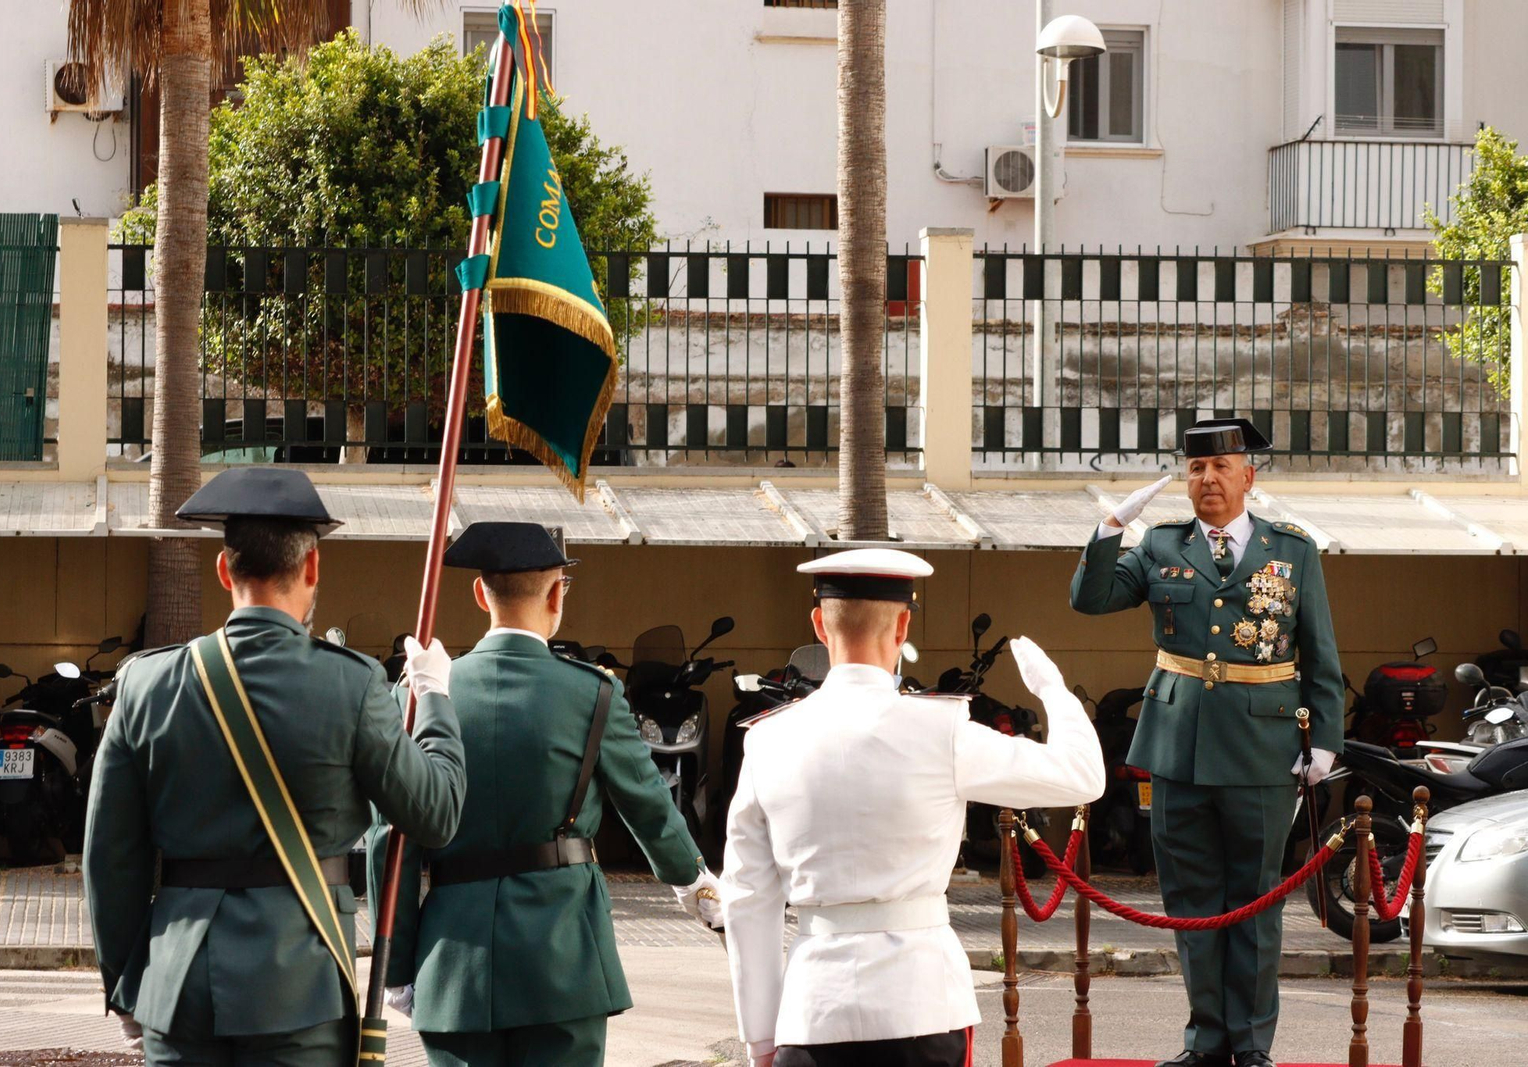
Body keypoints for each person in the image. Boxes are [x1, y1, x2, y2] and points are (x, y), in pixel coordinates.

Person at [83, 467, 467, 1066]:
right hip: (301, 989)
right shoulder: (354, 683)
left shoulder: (145, 682)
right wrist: (435, 697)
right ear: (312, 568)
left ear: (222, 570)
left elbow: (110, 856)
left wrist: (126, 986)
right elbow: (436, 814)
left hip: (174, 983)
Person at [720, 548, 1105, 1067]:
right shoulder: (941, 731)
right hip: (923, 1005)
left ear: (818, 624)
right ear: (902, 627)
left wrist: (760, 1040)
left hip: (814, 1009)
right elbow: (1083, 775)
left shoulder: (768, 739)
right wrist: (1052, 690)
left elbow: (747, 899)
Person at [367, 521, 723, 1067]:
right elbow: (650, 808)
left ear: (479, 593)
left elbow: (389, 843)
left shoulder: (417, 697)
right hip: (565, 962)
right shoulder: (593, 692)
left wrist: (395, 972)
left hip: (454, 964)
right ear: (558, 595)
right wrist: (700, 892)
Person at [1069, 419, 1345, 1067]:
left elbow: (1320, 653)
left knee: (1253, 900)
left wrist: (1324, 740)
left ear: (1249, 475)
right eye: (1196, 469)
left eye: (1221, 466)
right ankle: (1205, 1041)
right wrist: (1111, 529)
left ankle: (1250, 1047)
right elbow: (1090, 598)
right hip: (1178, 747)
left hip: (1260, 745)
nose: (1208, 478)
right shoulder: (1161, 545)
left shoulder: (1292, 550)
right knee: (1191, 901)